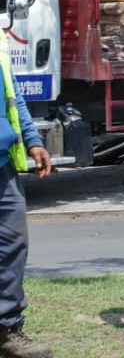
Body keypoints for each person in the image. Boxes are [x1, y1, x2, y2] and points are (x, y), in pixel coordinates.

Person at [0, 31, 53, 358]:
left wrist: (33, 139)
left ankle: (7, 329)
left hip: (3, 165)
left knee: (12, 245)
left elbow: (12, 93)